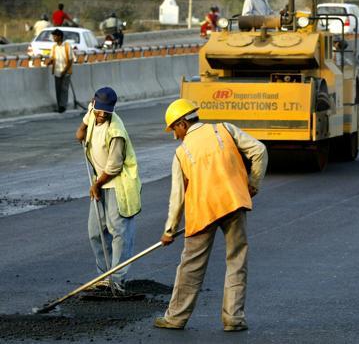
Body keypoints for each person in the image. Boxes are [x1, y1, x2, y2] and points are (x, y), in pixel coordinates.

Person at [154, 99, 267, 331]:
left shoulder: (181, 153)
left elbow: (177, 197)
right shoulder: (225, 129)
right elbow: (260, 150)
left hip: (202, 213)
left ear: (183, 123)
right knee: (236, 261)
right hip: (234, 203)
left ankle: (175, 318)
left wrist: (169, 231)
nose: (175, 136)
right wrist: (253, 184)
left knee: (191, 266)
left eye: (174, 129)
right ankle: (233, 319)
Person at [75, 87, 142, 291]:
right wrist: (81, 130)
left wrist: (96, 184)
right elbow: (84, 125)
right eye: (99, 111)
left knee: (119, 231)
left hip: (118, 184)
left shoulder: (116, 131)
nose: (101, 115)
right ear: (94, 104)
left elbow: (114, 167)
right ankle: (103, 276)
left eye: (106, 112)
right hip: (100, 181)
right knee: (95, 231)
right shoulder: (93, 110)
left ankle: (118, 278)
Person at [46, 29, 74, 113]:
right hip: (57, 72)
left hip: (65, 72)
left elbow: (70, 60)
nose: (54, 38)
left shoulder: (67, 46)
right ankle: (59, 106)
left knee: (64, 89)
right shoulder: (54, 47)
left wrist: (65, 71)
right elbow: (52, 57)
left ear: (60, 37)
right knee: (58, 89)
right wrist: (48, 62)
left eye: (55, 36)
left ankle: (63, 106)